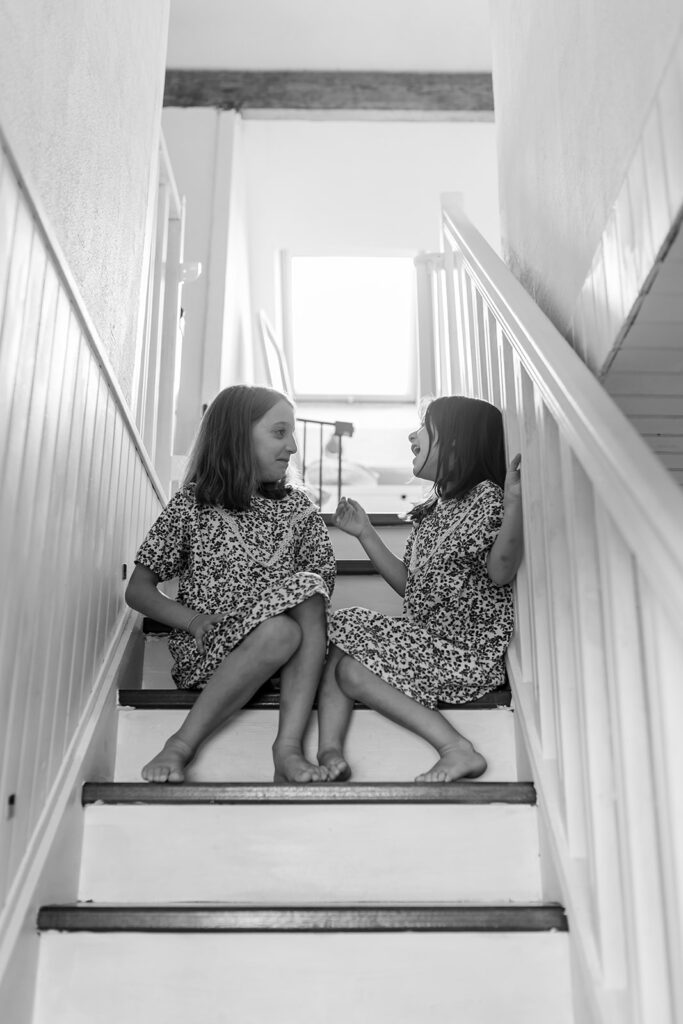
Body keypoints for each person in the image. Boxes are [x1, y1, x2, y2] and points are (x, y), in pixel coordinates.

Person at [125, 385, 335, 784]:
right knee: (279, 630)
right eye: (279, 432)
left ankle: (287, 748)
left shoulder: (301, 512)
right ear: (238, 436)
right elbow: (138, 589)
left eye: (292, 434)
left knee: (293, 613)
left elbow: (318, 601)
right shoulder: (194, 504)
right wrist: (194, 621)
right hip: (211, 649)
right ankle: (180, 744)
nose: (292, 446)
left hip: (290, 659)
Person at [316, 395, 523, 784]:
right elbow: (411, 588)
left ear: (458, 441)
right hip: (428, 644)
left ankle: (455, 749)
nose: (413, 434)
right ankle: (330, 751)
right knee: (349, 669)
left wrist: (513, 505)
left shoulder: (486, 499)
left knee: (347, 622)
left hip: (465, 653)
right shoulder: (430, 517)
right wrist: (365, 532)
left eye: (425, 426)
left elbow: (500, 571)